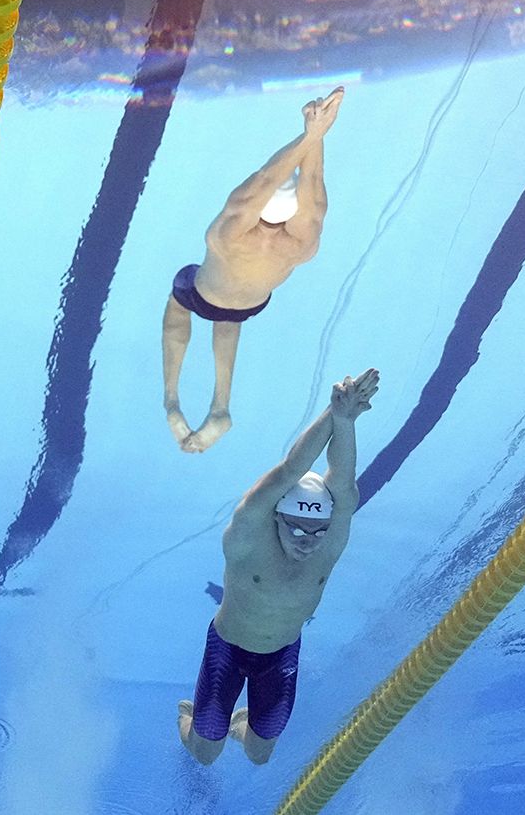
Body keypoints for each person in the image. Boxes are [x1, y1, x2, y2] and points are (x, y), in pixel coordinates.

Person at [178, 368, 379, 765]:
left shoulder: (328, 545)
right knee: (205, 752)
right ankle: (187, 720)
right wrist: (331, 413)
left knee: (259, 754)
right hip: (228, 649)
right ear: (275, 517)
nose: (307, 542)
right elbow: (289, 471)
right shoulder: (247, 538)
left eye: (317, 532)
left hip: (281, 653)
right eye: (297, 530)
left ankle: (241, 725)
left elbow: (343, 483)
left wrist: (346, 422)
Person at [162, 87, 343, 453]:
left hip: (205, 294)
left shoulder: (228, 235)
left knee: (179, 304)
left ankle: (171, 401)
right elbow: (312, 190)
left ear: (258, 210)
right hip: (253, 302)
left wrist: (309, 133)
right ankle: (221, 407)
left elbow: (264, 180)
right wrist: (318, 135)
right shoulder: (303, 242)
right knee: (230, 319)